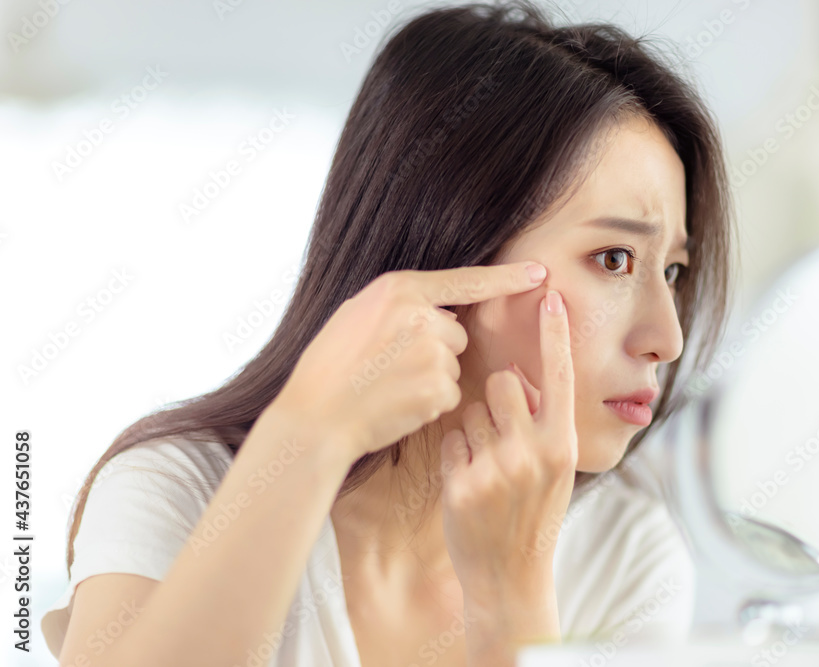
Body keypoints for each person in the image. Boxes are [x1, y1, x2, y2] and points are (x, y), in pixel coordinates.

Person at [41, 1, 734, 665]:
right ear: (453, 247)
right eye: (613, 259)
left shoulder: (625, 554)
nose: (667, 337)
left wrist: (513, 598)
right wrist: (308, 433)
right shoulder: (176, 490)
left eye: (673, 270)